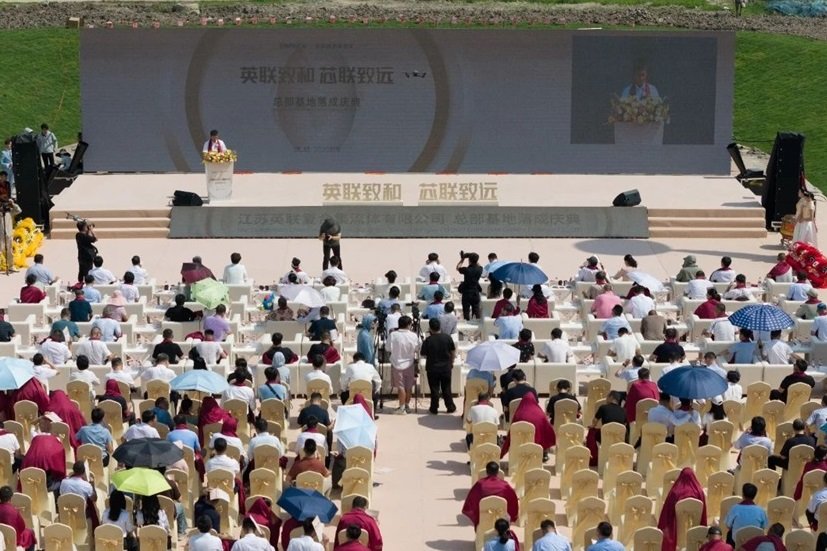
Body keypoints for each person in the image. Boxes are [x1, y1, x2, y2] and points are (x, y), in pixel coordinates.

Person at [658, 467, 707, 551]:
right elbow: (704, 513)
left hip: (677, 531)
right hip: (696, 530)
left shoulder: (675, 492)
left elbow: (667, 513)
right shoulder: (700, 492)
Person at [462, 462, 519, 528]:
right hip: (502, 520)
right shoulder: (505, 485)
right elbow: (513, 500)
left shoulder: (480, 484)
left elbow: (471, 500)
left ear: (487, 472)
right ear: (497, 472)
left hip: (483, 517)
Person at [501, 393, 555, 461]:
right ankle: (543, 454)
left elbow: (512, 432)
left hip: (521, 444)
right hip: (537, 444)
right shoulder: (540, 413)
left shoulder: (519, 414)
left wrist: (502, 452)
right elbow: (548, 430)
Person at [421, 318, 457, 414]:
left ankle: (434, 408)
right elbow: (453, 351)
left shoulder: (428, 340)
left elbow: (423, 354)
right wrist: (452, 361)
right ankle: (450, 406)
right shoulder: (447, 338)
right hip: (446, 367)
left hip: (432, 368)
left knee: (434, 389)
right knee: (447, 388)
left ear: (430, 328)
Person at [389, 315, 419, 415]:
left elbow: (388, 348)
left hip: (397, 364)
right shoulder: (413, 336)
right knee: (409, 386)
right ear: (409, 325)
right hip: (410, 363)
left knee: (401, 386)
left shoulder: (393, 335)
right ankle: (406, 405)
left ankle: (402, 408)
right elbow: (417, 348)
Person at [0, 485, 36, 551]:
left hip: (1, 539)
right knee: (31, 532)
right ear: (11, 497)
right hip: (13, 541)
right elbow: (22, 527)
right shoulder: (14, 511)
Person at [456, 251, 483, 320]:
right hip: (475, 292)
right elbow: (478, 265)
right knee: (476, 311)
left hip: (466, 292)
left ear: (469, 260)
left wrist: (462, 259)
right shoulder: (480, 269)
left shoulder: (466, 270)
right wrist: (473, 258)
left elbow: (458, 267)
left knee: (466, 311)